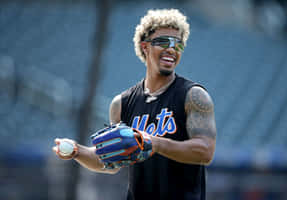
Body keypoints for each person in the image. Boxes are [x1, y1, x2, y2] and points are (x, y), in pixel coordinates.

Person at [53, 9, 216, 200]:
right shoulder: (122, 103)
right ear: (145, 46)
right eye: (163, 42)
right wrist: (77, 151)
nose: (171, 49)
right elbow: (108, 161)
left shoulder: (194, 96)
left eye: (177, 44)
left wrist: (155, 143)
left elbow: (205, 151)